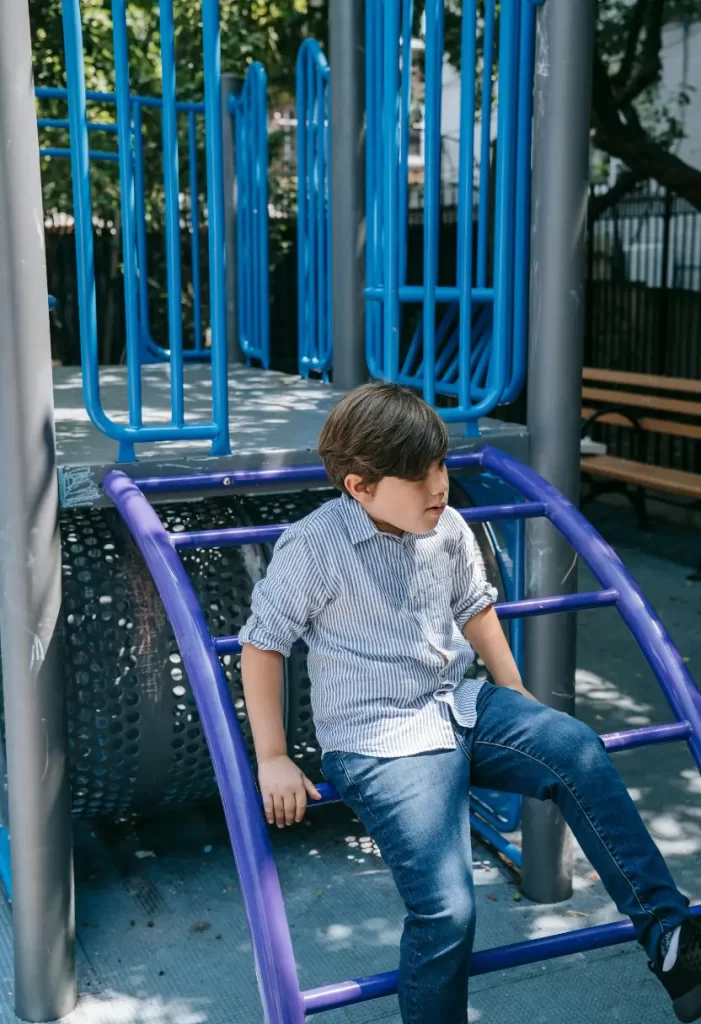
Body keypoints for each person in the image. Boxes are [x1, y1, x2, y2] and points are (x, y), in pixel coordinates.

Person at [239, 381, 701, 1024]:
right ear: (360, 487)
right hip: (379, 738)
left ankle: (671, 940)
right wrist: (273, 756)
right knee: (448, 909)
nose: (439, 487)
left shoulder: (445, 525)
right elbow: (262, 647)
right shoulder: (314, 548)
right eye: (419, 476)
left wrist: (514, 693)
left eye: (441, 467)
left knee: (574, 746)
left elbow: (474, 607)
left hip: (460, 704)